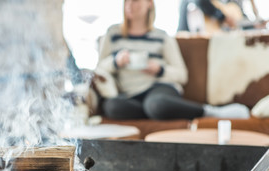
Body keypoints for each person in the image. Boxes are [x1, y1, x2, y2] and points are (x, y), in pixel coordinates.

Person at [94, 0, 250, 120]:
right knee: (112, 106)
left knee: (156, 104)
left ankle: (211, 112)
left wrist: (159, 70)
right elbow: (99, 69)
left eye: (135, 0)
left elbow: (182, 75)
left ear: (149, 3)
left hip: (159, 88)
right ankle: (159, 112)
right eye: (126, 1)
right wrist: (116, 61)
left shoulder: (162, 37)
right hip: (129, 94)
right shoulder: (113, 33)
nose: (129, 5)